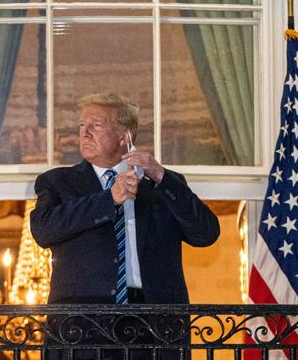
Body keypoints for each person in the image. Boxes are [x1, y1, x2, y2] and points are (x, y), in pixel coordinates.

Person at [30, 93, 220, 358]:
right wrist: (109, 198)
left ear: (124, 135)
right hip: (81, 326)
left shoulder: (162, 184)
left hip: (154, 324)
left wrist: (163, 177)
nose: (84, 133)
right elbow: (43, 230)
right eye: (81, 126)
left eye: (95, 125)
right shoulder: (57, 182)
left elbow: (206, 234)